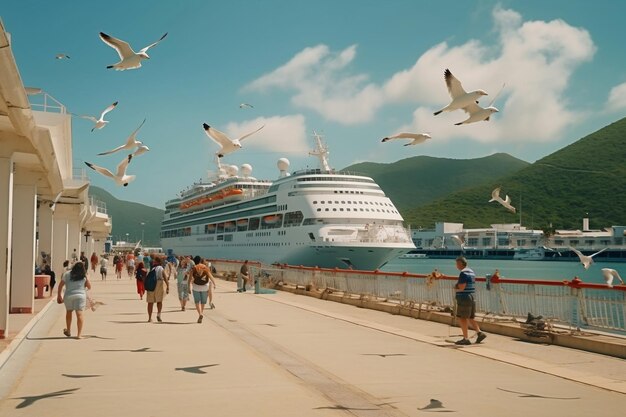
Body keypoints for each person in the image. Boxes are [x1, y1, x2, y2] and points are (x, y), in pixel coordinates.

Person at [453, 256, 486, 345]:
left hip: (464, 297)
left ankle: (465, 338)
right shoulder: (471, 272)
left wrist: (455, 286)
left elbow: (462, 287)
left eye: (456, 264)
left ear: (460, 264)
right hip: (471, 296)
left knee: (462, 317)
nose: (456, 266)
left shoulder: (463, 273)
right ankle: (479, 333)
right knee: (470, 317)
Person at [56, 261, 91, 339]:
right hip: (80, 296)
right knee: (79, 314)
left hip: (68, 296)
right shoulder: (84, 276)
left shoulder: (67, 274)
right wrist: (86, 279)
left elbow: (60, 285)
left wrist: (59, 295)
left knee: (69, 312)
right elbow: (89, 287)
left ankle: (68, 331)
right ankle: (79, 335)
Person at [189, 256, 215, 323]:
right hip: (204, 287)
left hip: (196, 287)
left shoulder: (194, 268)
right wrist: (214, 283)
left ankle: (200, 314)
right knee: (203, 302)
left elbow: (190, 279)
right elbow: (210, 276)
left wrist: (189, 286)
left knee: (197, 302)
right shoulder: (205, 267)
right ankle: (201, 313)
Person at [146, 256, 169, 322]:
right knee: (159, 301)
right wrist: (168, 287)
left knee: (150, 302)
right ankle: (159, 314)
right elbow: (165, 278)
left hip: (151, 285)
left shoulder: (152, 269)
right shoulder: (161, 268)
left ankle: (150, 318)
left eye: (154, 261)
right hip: (159, 284)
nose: (153, 262)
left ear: (157, 262)